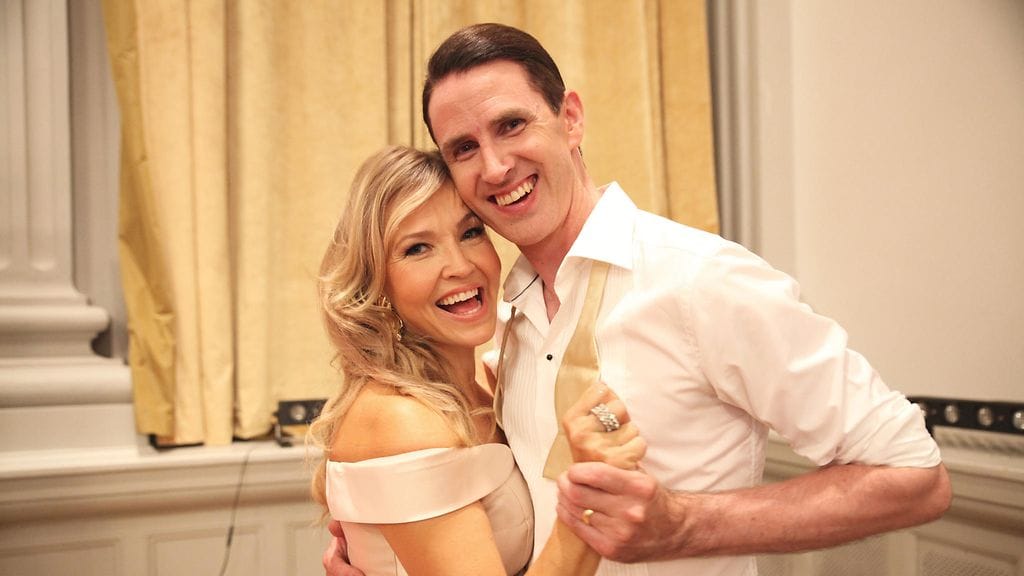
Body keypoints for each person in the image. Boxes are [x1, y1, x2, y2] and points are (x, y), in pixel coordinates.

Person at [326, 23, 952, 575]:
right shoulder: (509, 320)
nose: (493, 167)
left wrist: (684, 525)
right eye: (464, 148)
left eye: (511, 125)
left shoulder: (700, 280)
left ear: (571, 118)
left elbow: (916, 476)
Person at [309, 145, 647, 576]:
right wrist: (591, 493)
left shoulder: (489, 381)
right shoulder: (400, 419)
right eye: (417, 248)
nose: (459, 265)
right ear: (377, 284)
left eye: (470, 233)